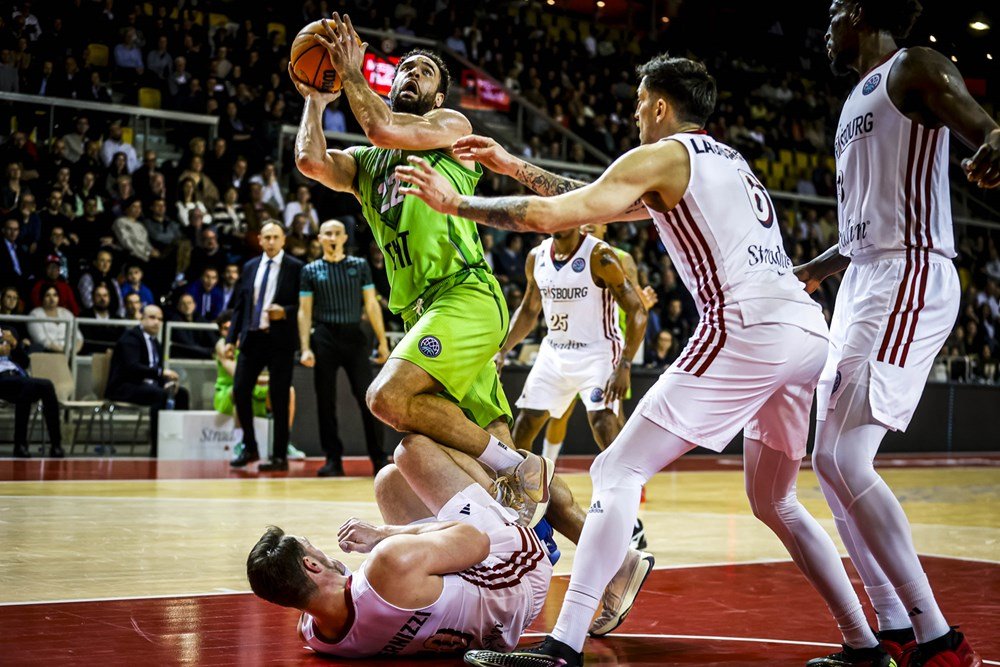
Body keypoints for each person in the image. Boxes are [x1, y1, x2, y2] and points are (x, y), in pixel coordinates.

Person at [398, 53, 889, 667]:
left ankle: (561, 647)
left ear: (659, 105)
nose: (633, 116)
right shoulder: (726, 161)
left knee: (613, 472)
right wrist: (509, 163)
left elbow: (552, 216)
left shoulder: (659, 155)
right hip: (804, 327)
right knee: (776, 500)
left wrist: (454, 203)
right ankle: (865, 645)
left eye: (637, 105)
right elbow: (586, 199)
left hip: (747, 326)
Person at [791, 2, 997, 664]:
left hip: (909, 273)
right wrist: (811, 272)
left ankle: (938, 639)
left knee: (849, 458)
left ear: (864, 9)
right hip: (864, 278)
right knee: (825, 461)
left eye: (834, 10)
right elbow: (858, 233)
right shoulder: (856, 98)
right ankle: (892, 630)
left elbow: (984, 126)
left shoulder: (914, 66)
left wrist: (995, 142)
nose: (826, 23)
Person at [291, 13, 550, 519]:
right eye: (405, 68)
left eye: (423, 71)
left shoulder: (450, 128)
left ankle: (512, 478)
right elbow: (311, 162)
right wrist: (315, 101)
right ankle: (578, 547)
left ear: (436, 98)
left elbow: (381, 126)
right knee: (490, 436)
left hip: (464, 294)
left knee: (388, 398)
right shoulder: (367, 164)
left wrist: (351, 76)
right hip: (423, 312)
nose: (410, 73)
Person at [245, 433, 602, 658]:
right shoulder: (386, 564)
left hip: (493, 627)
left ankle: (503, 496)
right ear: (311, 566)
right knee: (412, 451)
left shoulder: (317, 635)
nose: (322, 552)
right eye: (314, 551)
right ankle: (515, 501)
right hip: (520, 570)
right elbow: (474, 540)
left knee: (390, 483)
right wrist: (382, 534)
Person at [299, 219, 389, 477]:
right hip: (324, 336)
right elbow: (304, 312)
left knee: (368, 399)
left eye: (337, 233)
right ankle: (333, 459)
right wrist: (305, 347)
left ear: (345, 238)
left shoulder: (359, 266)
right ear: (320, 238)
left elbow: (371, 305)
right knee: (325, 401)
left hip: (354, 337)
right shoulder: (310, 270)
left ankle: (379, 457)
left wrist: (382, 342)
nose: (332, 237)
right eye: (327, 233)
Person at [226, 221, 303, 471]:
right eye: (266, 237)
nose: (270, 241)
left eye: (275, 237)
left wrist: (286, 311)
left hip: (280, 339)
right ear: (259, 239)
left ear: (284, 240)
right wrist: (230, 339)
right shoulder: (249, 267)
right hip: (252, 337)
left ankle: (279, 455)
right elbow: (240, 306)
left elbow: (304, 307)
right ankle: (250, 447)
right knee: (239, 390)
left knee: (279, 398)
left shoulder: (296, 267)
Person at [213, 311, 304, 461]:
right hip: (226, 392)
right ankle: (240, 443)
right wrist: (266, 380)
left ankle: (284, 443)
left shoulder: (249, 341)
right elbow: (238, 374)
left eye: (231, 327)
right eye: (224, 328)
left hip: (254, 386)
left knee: (288, 391)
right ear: (220, 330)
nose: (228, 331)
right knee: (239, 389)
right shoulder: (222, 345)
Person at [106, 305, 189, 456]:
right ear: (141, 318)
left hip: (146, 386)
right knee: (160, 395)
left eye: (160, 319)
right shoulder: (130, 339)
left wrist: (167, 382)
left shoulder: (155, 342)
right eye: (152, 317)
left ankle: (179, 444)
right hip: (124, 386)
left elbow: (156, 372)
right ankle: (158, 449)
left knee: (181, 393)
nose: (156, 322)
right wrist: (161, 374)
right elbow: (133, 368)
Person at [0, 327, 63, 458]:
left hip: (17, 376)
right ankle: (20, 444)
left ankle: (56, 445)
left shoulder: (8, 331)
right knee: (27, 386)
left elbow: (25, 362)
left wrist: (15, 344)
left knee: (47, 385)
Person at [27, 285, 82, 353]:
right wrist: (63, 351)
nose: (52, 299)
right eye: (47, 295)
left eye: (55, 295)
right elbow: (41, 341)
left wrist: (73, 351)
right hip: (48, 354)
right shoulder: (35, 314)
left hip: (71, 353)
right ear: (42, 297)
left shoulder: (66, 313)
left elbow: (78, 337)